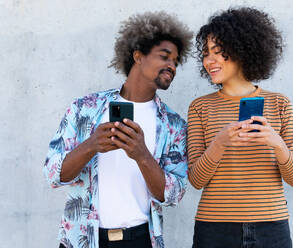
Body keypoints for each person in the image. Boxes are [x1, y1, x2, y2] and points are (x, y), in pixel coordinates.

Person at [43, 11, 192, 248]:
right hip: (83, 239)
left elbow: (174, 195)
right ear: (138, 56)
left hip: (141, 240)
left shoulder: (173, 125)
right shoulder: (85, 108)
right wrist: (91, 145)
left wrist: (142, 156)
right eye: (165, 57)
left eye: (175, 61)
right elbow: (52, 174)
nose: (172, 66)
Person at [187, 7, 293, 248]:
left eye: (218, 52)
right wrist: (219, 143)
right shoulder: (200, 107)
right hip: (214, 229)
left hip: (271, 227)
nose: (209, 61)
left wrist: (276, 143)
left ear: (242, 51)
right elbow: (196, 180)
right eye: (206, 53)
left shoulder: (280, 103)